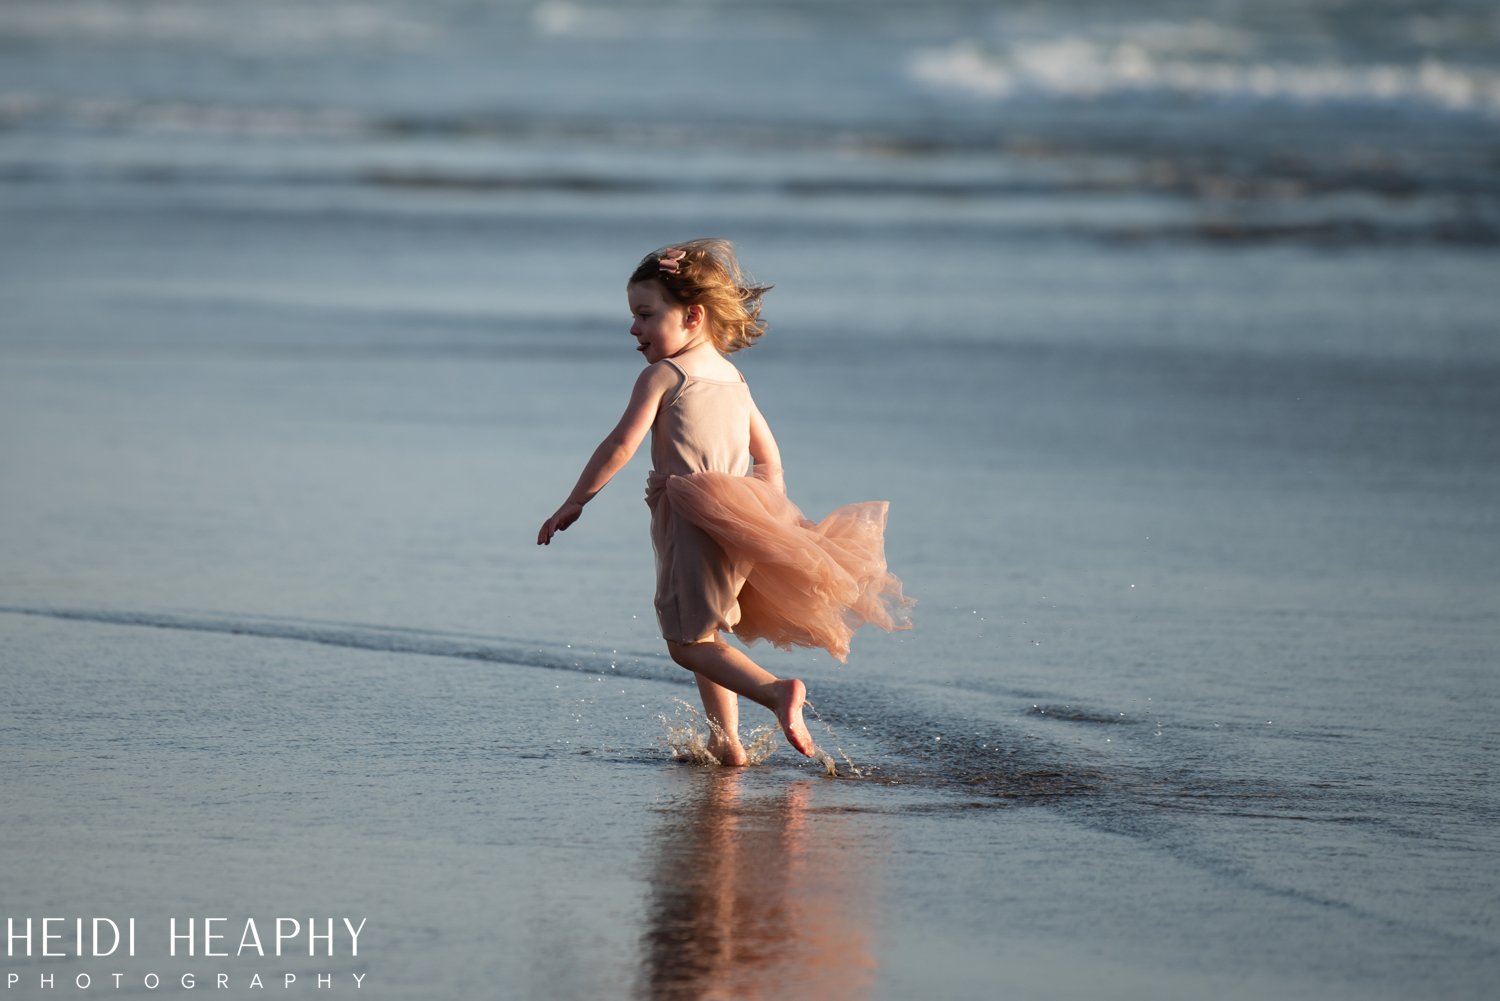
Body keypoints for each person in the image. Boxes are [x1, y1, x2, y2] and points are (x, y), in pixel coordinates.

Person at [538, 239, 911, 765]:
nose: (633, 328)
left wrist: (576, 501)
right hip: (740, 514)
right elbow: (769, 456)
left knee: (686, 642)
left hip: (692, 516)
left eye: (645, 315)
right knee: (706, 634)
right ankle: (726, 742)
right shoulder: (734, 378)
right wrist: (767, 516)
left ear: (692, 315)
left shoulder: (665, 375)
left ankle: (775, 692)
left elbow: (621, 443)